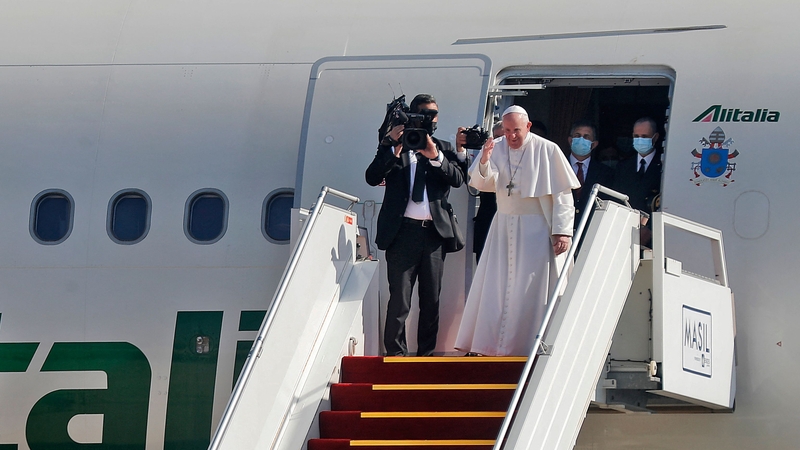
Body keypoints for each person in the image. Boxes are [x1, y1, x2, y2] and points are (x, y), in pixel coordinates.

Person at [455, 105, 579, 357]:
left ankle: (529, 345)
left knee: (530, 289)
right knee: (498, 286)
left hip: (537, 228)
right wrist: (485, 159)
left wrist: (562, 231)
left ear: (528, 126)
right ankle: (492, 345)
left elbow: (563, 195)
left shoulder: (548, 149)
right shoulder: (496, 146)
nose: (511, 136)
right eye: (507, 130)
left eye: (517, 131)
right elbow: (481, 184)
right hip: (503, 226)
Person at [366, 93, 468, 356]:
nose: (430, 120)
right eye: (424, 114)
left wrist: (436, 157)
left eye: (434, 115)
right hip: (401, 233)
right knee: (399, 299)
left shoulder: (442, 148)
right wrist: (393, 147)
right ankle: (395, 354)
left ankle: (426, 355)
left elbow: (458, 179)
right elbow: (372, 176)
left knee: (431, 299)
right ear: (412, 115)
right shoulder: (395, 145)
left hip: (433, 235)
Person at [611, 117, 662, 246]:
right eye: (636, 136)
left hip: (655, 236)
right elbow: (617, 199)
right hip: (626, 232)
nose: (640, 140)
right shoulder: (623, 167)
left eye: (644, 136)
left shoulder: (664, 165)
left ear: (655, 137)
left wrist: (650, 229)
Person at [567, 120, 614, 226]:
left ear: (594, 144)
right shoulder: (557, 165)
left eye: (586, 137)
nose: (581, 139)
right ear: (570, 140)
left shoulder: (605, 173)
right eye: (577, 136)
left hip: (591, 228)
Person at [472, 122, 504, 263]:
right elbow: (477, 181)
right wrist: (484, 159)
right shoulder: (487, 153)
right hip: (488, 220)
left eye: (504, 137)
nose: (500, 141)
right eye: (497, 137)